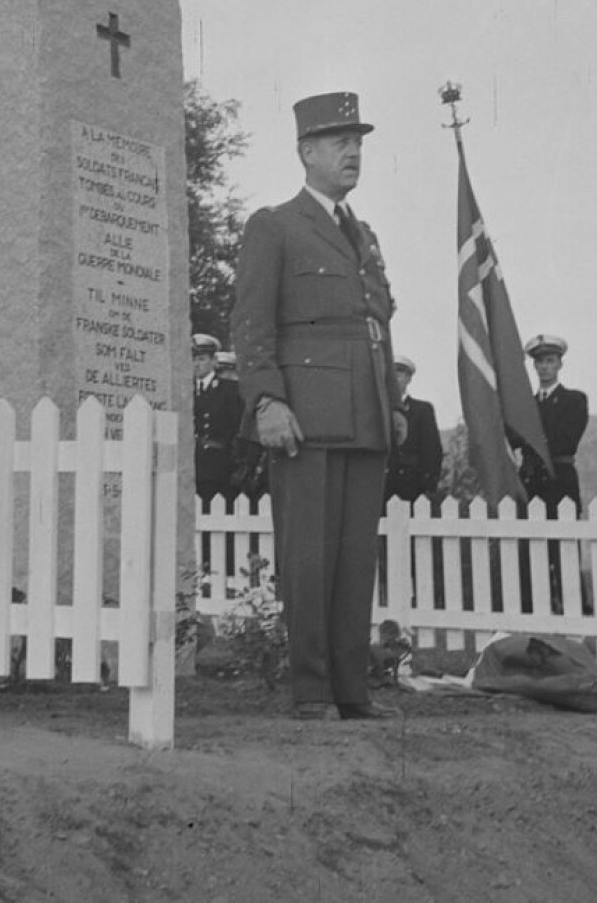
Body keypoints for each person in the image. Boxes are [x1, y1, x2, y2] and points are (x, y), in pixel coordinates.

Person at [231, 90, 402, 721]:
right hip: (304, 414)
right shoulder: (274, 225)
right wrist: (268, 400)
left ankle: (351, 692)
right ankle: (310, 691)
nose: (353, 152)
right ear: (306, 152)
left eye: (357, 142)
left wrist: (393, 399)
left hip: (366, 415)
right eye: (339, 142)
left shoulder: (364, 235)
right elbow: (250, 324)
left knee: (356, 560)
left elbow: (378, 321)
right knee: (308, 556)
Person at [520, 334, 589, 612]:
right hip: (532, 483)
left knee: (565, 552)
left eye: (550, 361)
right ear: (534, 367)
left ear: (560, 364)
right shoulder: (524, 406)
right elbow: (514, 437)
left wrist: (532, 440)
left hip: (559, 483)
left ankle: (575, 609)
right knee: (534, 553)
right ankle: (539, 609)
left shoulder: (573, 399)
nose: (545, 367)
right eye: (540, 362)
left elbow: (566, 440)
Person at [384, 355, 443, 506]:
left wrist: (427, 485)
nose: (395, 377)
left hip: (412, 487)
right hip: (380, 486)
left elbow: (432, 450)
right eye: (391, 373)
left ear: (409, 378)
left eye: (400, 373)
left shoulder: (422, 410)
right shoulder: (376, 410)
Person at [192, 333, 242, 507]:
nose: (196, 364)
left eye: (201, 359)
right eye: (193, 360)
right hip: (190, 464)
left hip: (218, 465)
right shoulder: (186, 391)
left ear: (214, 361)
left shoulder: (229, 390)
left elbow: (237, 427)